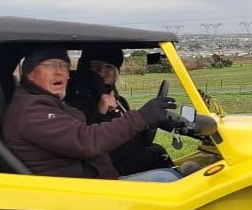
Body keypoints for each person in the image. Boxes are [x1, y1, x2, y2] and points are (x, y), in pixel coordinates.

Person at [2, 46, 180, 182]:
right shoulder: (32, 110)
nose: (59, 71)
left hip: (89, 181)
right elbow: (86, 139)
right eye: (49, 66)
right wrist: (140, 118)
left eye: (63, 66)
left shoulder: (45, 101)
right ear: (29, 74)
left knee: (162, 163)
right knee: (169, 179)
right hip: (80, 195)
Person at [66, 45, 174, 175]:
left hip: (121, 157)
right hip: (100, 168)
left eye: (109, 67)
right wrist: (100, 112)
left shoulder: (119, 100)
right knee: (156, 155)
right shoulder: (73, 99)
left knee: (156, 151)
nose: (102, 72)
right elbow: (82, 140)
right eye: (96, 66)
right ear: (85, 68)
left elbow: (130, 134)